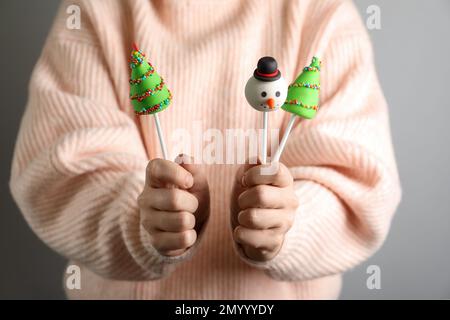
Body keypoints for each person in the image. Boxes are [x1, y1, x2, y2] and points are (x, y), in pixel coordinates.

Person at [10, 0, 401, 299]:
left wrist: (289, 223)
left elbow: (361, 183)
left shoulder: (323, 14)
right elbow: (59, 172)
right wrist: (142, 218)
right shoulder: (97, 11)